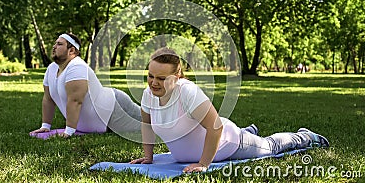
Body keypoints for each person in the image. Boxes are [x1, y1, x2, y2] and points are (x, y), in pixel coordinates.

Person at [130, 47, 329, 173]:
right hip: (204, 145)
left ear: (178, 75)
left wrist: (204, 163)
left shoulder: (188, 92)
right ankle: (248, 132)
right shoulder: (149, 94)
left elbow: (215, 127)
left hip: (227, 144)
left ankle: (304, 136)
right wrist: (148, 157)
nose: (154, 83)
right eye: (150, 76)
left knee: (270, 147)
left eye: (162, 78)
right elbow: (147, 125)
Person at [30, 33, 141, 138]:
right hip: (100, 120)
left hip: (114, 108)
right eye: (55, 43)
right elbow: (48, 99)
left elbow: (75, 100)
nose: (54, 47)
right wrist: (45, 126)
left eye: (59, 44)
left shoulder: (77, 66)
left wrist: (68, 132)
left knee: (150, 122)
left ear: (71, 50)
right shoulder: (51, 69)